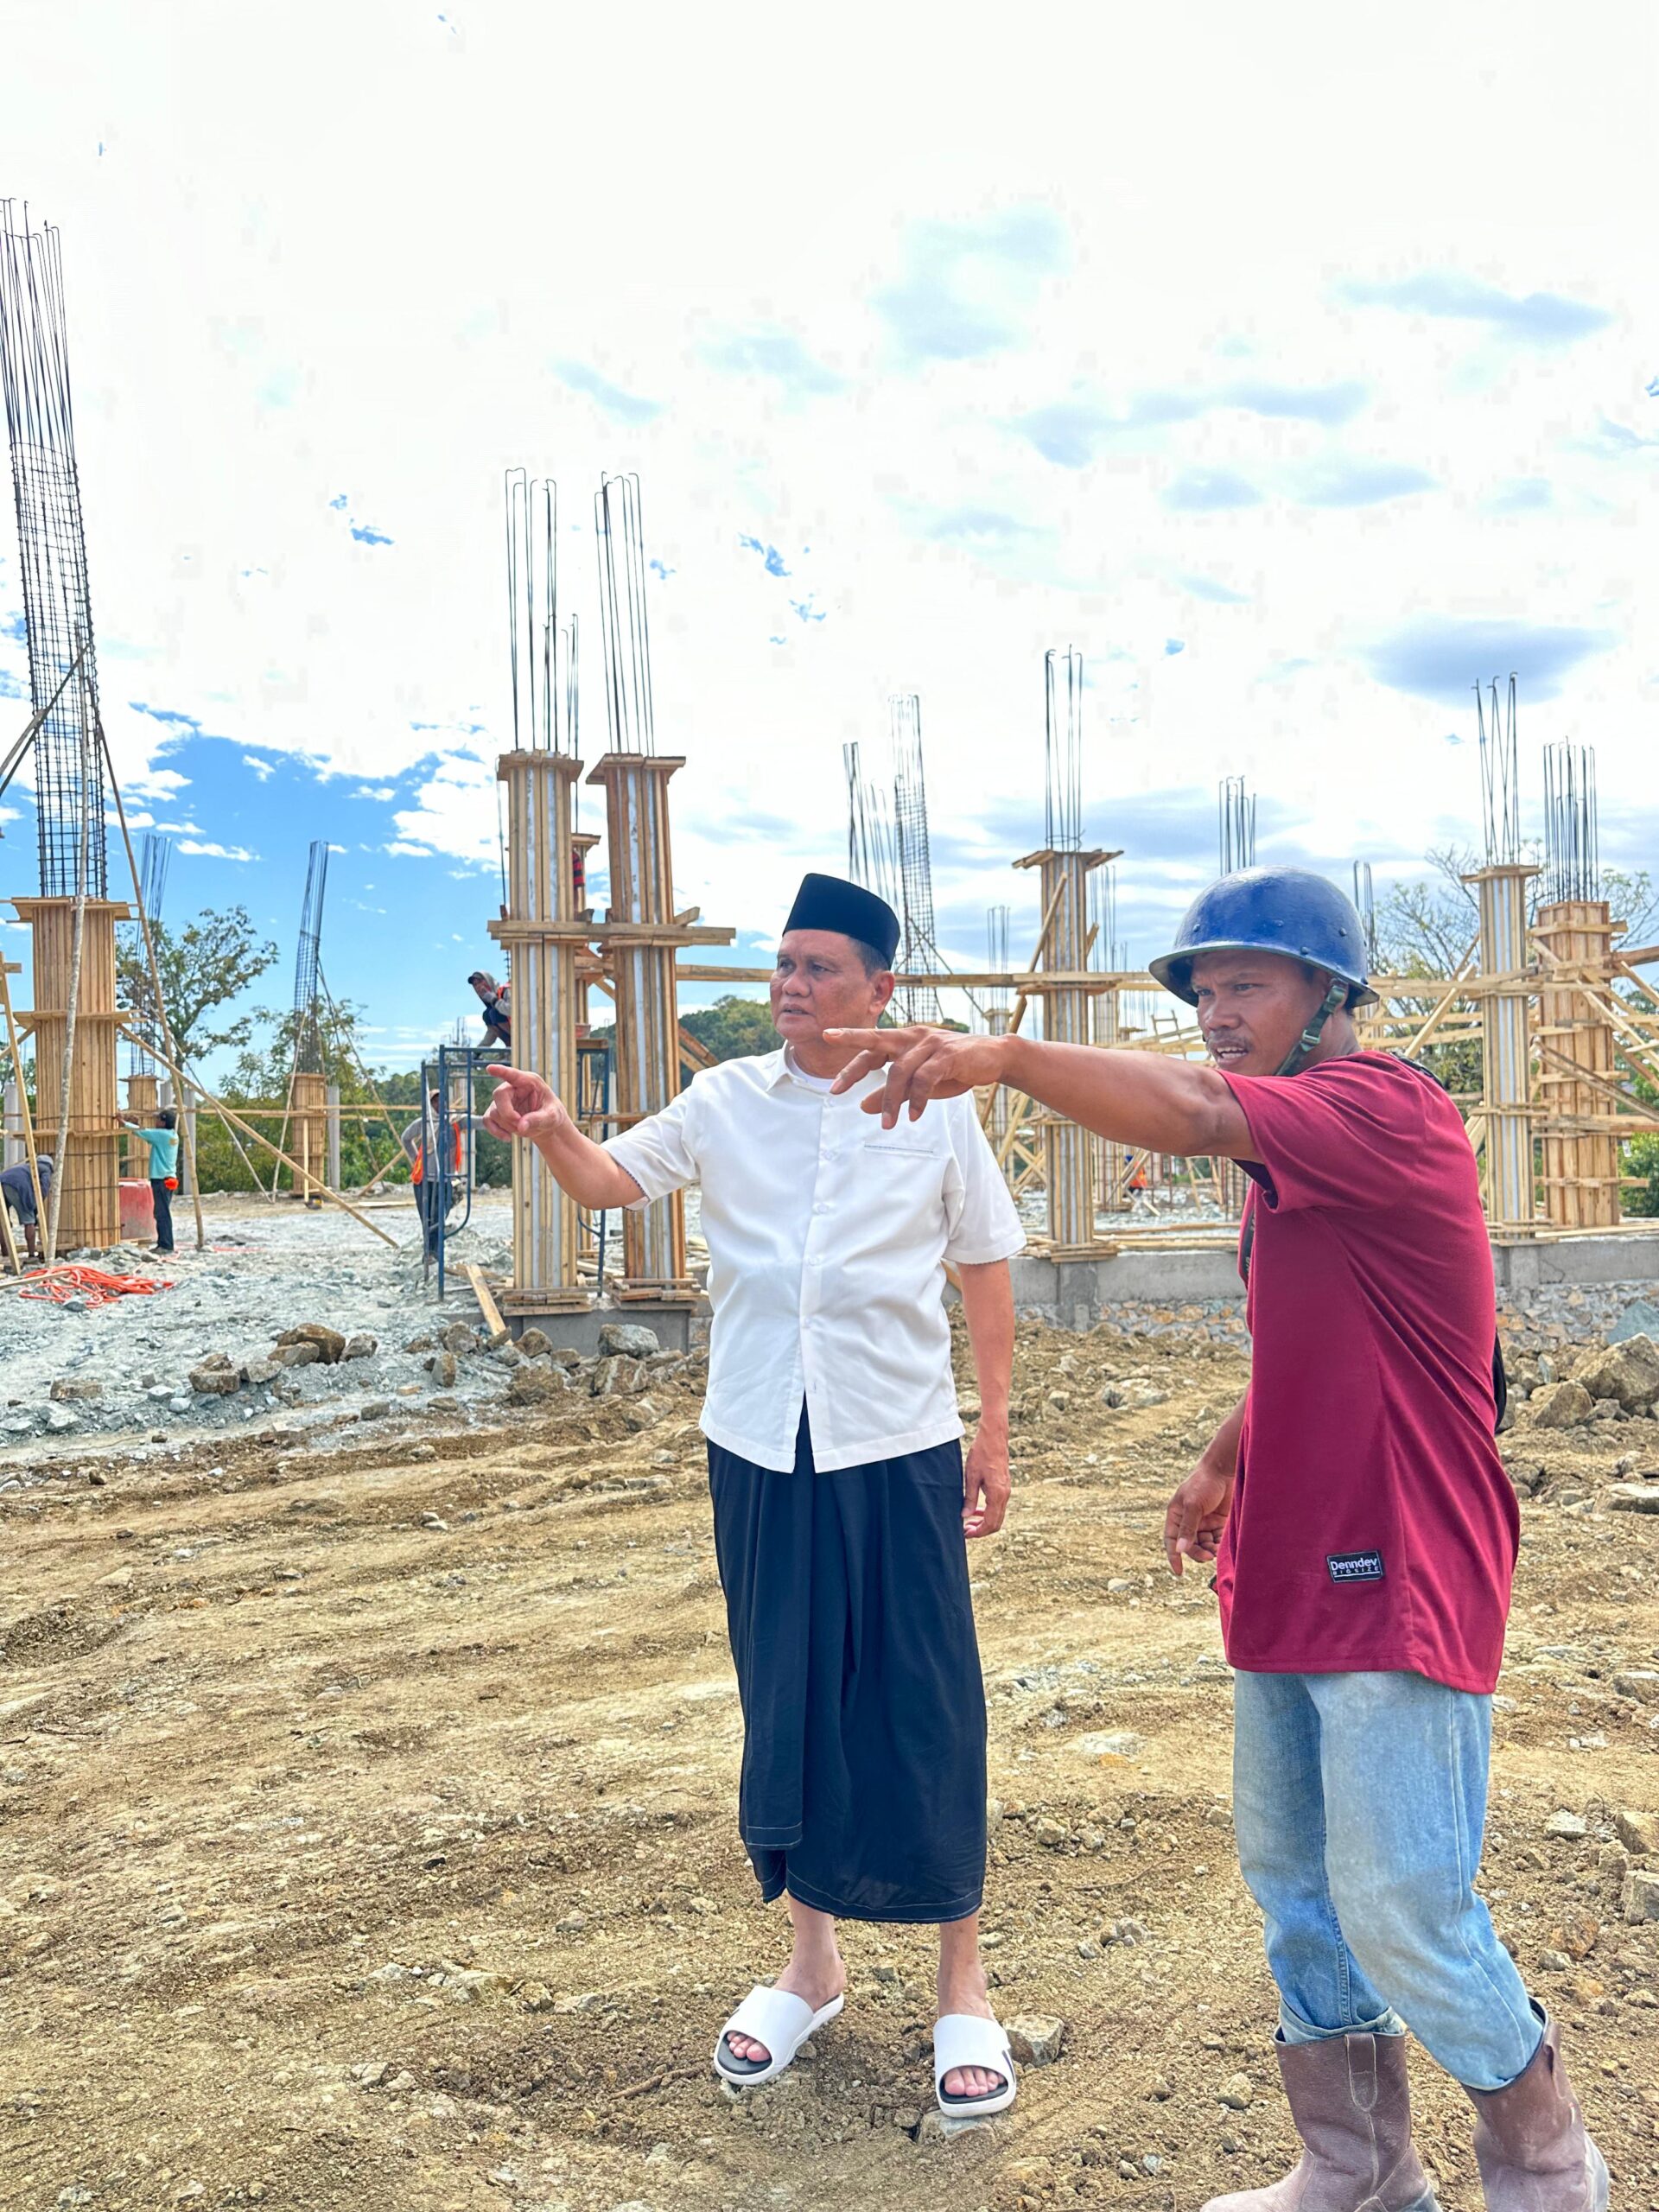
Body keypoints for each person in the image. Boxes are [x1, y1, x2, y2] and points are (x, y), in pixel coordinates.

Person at [826, 866, 1605, 2212]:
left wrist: (1001, 1054)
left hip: (1401, 1558)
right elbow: (1328, 1329)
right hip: (1295, 1557)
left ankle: (1547, 2165)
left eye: (1247, 982)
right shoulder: (1285, 1165)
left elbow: (1188, 1110)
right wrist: (1220, 1460)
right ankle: (1357, 2171)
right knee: (1297, 1886)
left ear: (1328, 995)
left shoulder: (1384, 1107)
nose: (1215, 1012)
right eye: (1203, 990)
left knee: (1402, 1899)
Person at [483, 872, 1027, 2118]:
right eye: (783, 964)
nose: (790, 984)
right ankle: (812, 1962)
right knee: (782, 1689)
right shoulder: (725, 1100)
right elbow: (615, 1183)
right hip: (758, 1445)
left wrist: (993, 1427)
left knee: (922, 1696)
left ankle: (963, 1982)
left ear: (881, 989)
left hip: (895, 1441)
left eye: (819, 966)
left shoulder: (937, 1111)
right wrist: (557, 1123)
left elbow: (985, 1265)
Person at [400, 1090, 483, 1259]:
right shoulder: (423, 1123)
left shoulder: (455, 1122)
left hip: (444, 1179)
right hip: (423, 1180)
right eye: (435, 1101)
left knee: (439, 1217)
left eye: (442, 1100)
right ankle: (429, 1254)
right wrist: (417, 1159)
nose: (439, 1105)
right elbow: (406, 1138)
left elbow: (478, 1122)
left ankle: (434, 1253)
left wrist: (497, 1120)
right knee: (427, 1219)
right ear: (430, 1105)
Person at [121, 1109, 180, 1255]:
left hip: (161, 1180)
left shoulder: (162, 1135)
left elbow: (143, 1132)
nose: (156, 1121)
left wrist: (123, 1122)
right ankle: (164, 1243)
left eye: (158, 1119)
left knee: (162, 1214)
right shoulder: (172, 1135)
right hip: (168, 1179)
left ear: (163, 1122)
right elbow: (147, 1132)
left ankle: (166, 1246)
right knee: (161, 1212)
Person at [1, 1152, 53, 1262]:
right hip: (18, 1185)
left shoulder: (26, 1167)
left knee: (2, 1220)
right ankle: (32, 1255)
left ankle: (5, 1254)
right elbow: (43, 1190)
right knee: (29, 1220)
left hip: (2, 1181)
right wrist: (34, 1210)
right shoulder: (46, 1168)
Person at [468, 971, 512, 1054]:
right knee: (487, 1015)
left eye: (480, 982)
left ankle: (514, 1042)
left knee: (493, 1013)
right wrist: (478, 1051)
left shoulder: (506, 991)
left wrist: (495, 1000)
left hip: (523, 1033)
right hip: (512, 1040)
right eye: (475, 985)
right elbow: (491, 1034)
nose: (478, 987)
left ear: (488, 981)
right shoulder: (490, 1007)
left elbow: (512, 1011)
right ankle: (510, 1047)